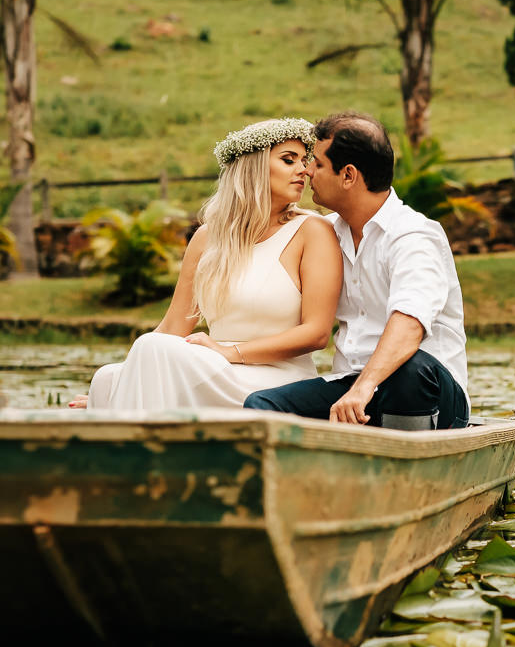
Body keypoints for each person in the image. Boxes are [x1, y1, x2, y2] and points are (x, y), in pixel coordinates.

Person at [72, 118, 342, 410]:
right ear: (252, 167)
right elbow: (173, 326)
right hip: (215, 367)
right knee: (106, 379)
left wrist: (230, 352)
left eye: (304, 160)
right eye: (289, 160)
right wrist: (128, 383)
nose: (304, 170)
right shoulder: (207, 238)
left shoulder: (312, 231)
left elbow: (316, 333)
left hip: (275, 378)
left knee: (147, 351)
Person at [243, 111, 469, 430]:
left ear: (348, 175)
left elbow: (410, 324)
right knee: (261, 405)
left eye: (317, 163)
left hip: (427, 393)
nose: (307, 171)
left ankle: (404, 455)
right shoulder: (325, 234)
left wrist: (364, 387)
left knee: (411, 369)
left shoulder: (413, 236)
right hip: (352, 386)